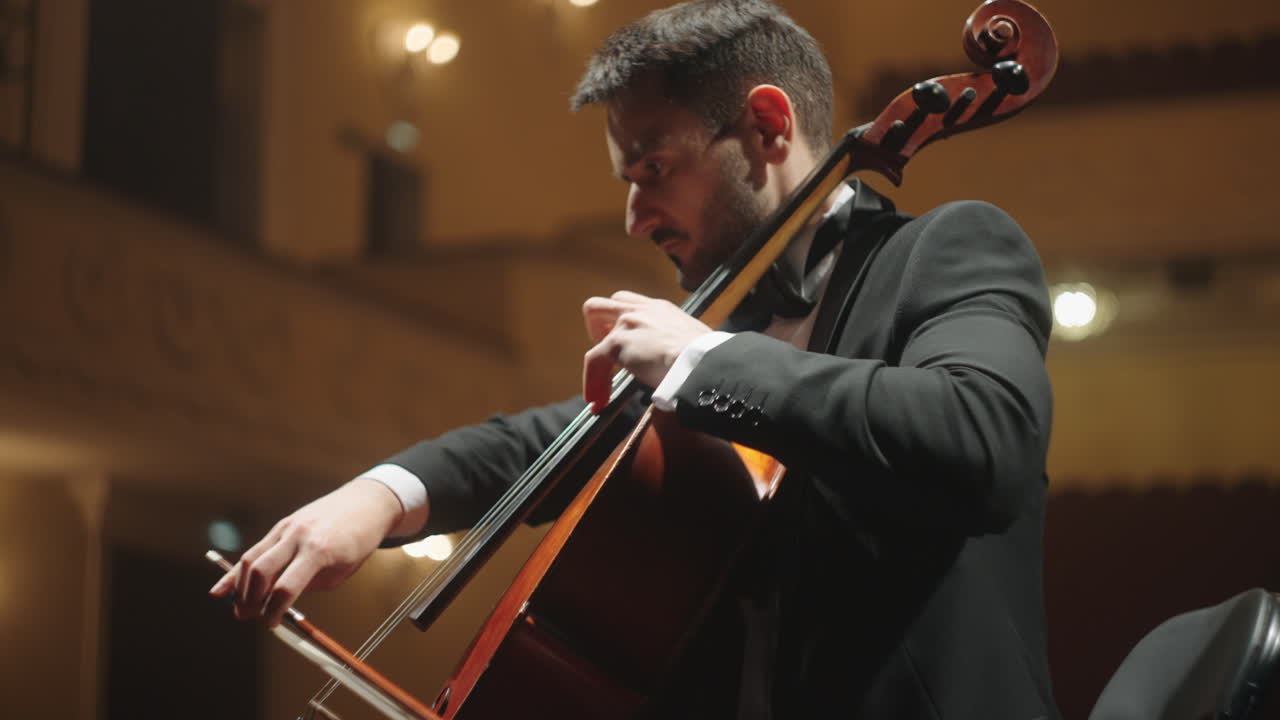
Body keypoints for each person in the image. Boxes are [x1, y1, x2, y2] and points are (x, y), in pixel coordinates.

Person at [211, 1, 1058, 717]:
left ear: (767, 125)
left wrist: (705, 363)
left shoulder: (949, 248)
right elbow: (548, 441)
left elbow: (985, 439)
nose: (634, 215)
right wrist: (378, 497)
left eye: (653, 167)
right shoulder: (733, 320)